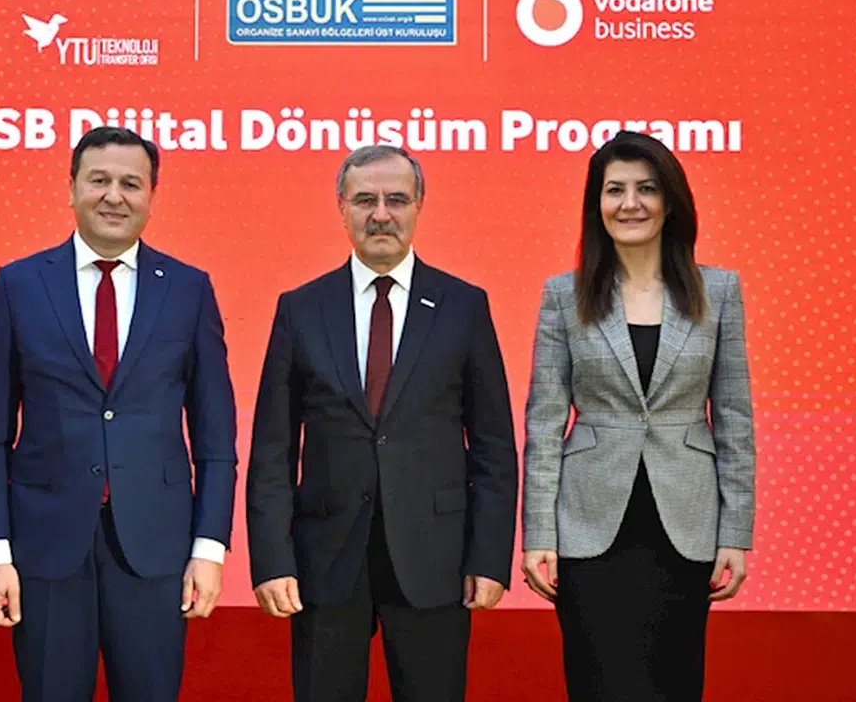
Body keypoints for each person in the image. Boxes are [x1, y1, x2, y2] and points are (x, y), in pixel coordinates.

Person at [0, 126, 238, 702]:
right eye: (99, 181)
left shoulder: (189, 290)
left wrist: (209, 549)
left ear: (151, 196)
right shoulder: (18, 286)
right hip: (45, 548)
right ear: (71, 189)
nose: (115, 196)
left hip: (155, 549)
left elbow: (215, 439)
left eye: (131, 184)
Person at [245, 145, 519, 702]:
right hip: (324, 560)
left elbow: (493, 446)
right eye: (365, 200)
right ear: (341, 207)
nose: (381, 214)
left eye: (396, 199)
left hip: (435, 559)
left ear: (419, 206)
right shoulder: (300, 309)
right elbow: (273, 447)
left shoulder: (464, 306)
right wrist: (272, 560)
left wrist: (490, 558)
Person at [520, 130, 756, 701]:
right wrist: (538, 533)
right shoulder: (564, 295)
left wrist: (736, 532)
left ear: (670, 202)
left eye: (646, 189)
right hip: (589, 527)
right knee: (600, 684)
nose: (630, 204)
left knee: (674, 685)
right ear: (596, 204)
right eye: (615, 190)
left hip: (685, 526)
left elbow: (734, 416)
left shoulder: (718, 290)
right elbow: (544, 422)